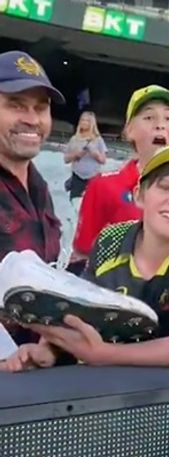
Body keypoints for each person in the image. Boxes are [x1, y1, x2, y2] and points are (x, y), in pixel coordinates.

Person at [1, 144, 169, 370]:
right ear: (139, 195)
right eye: (165, 188)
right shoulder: (111, 238)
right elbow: (79, 305)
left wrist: (105, 354)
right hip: (103, 385)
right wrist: (48, 350)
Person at [71, 85, 169, 270]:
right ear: (129, 130)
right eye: (149, 117)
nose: (160, 125)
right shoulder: (103, 186)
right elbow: (83, 254)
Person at [0, 50, 65, 344]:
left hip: (32, 371)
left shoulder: (39, 187)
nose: (31, 119)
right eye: (16, 105)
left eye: (40, 108)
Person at [63, 111, 107, 207]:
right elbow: (66, 159)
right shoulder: (74, 139)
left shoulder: (98, 140)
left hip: (93, 178)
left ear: (91, 123)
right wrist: (76, 155)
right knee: (75, 204)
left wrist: (94, 153)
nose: (84, 123)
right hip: (77, 177)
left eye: (87, 121)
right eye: (82, 120)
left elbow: (103, 160)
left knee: (92, 205)